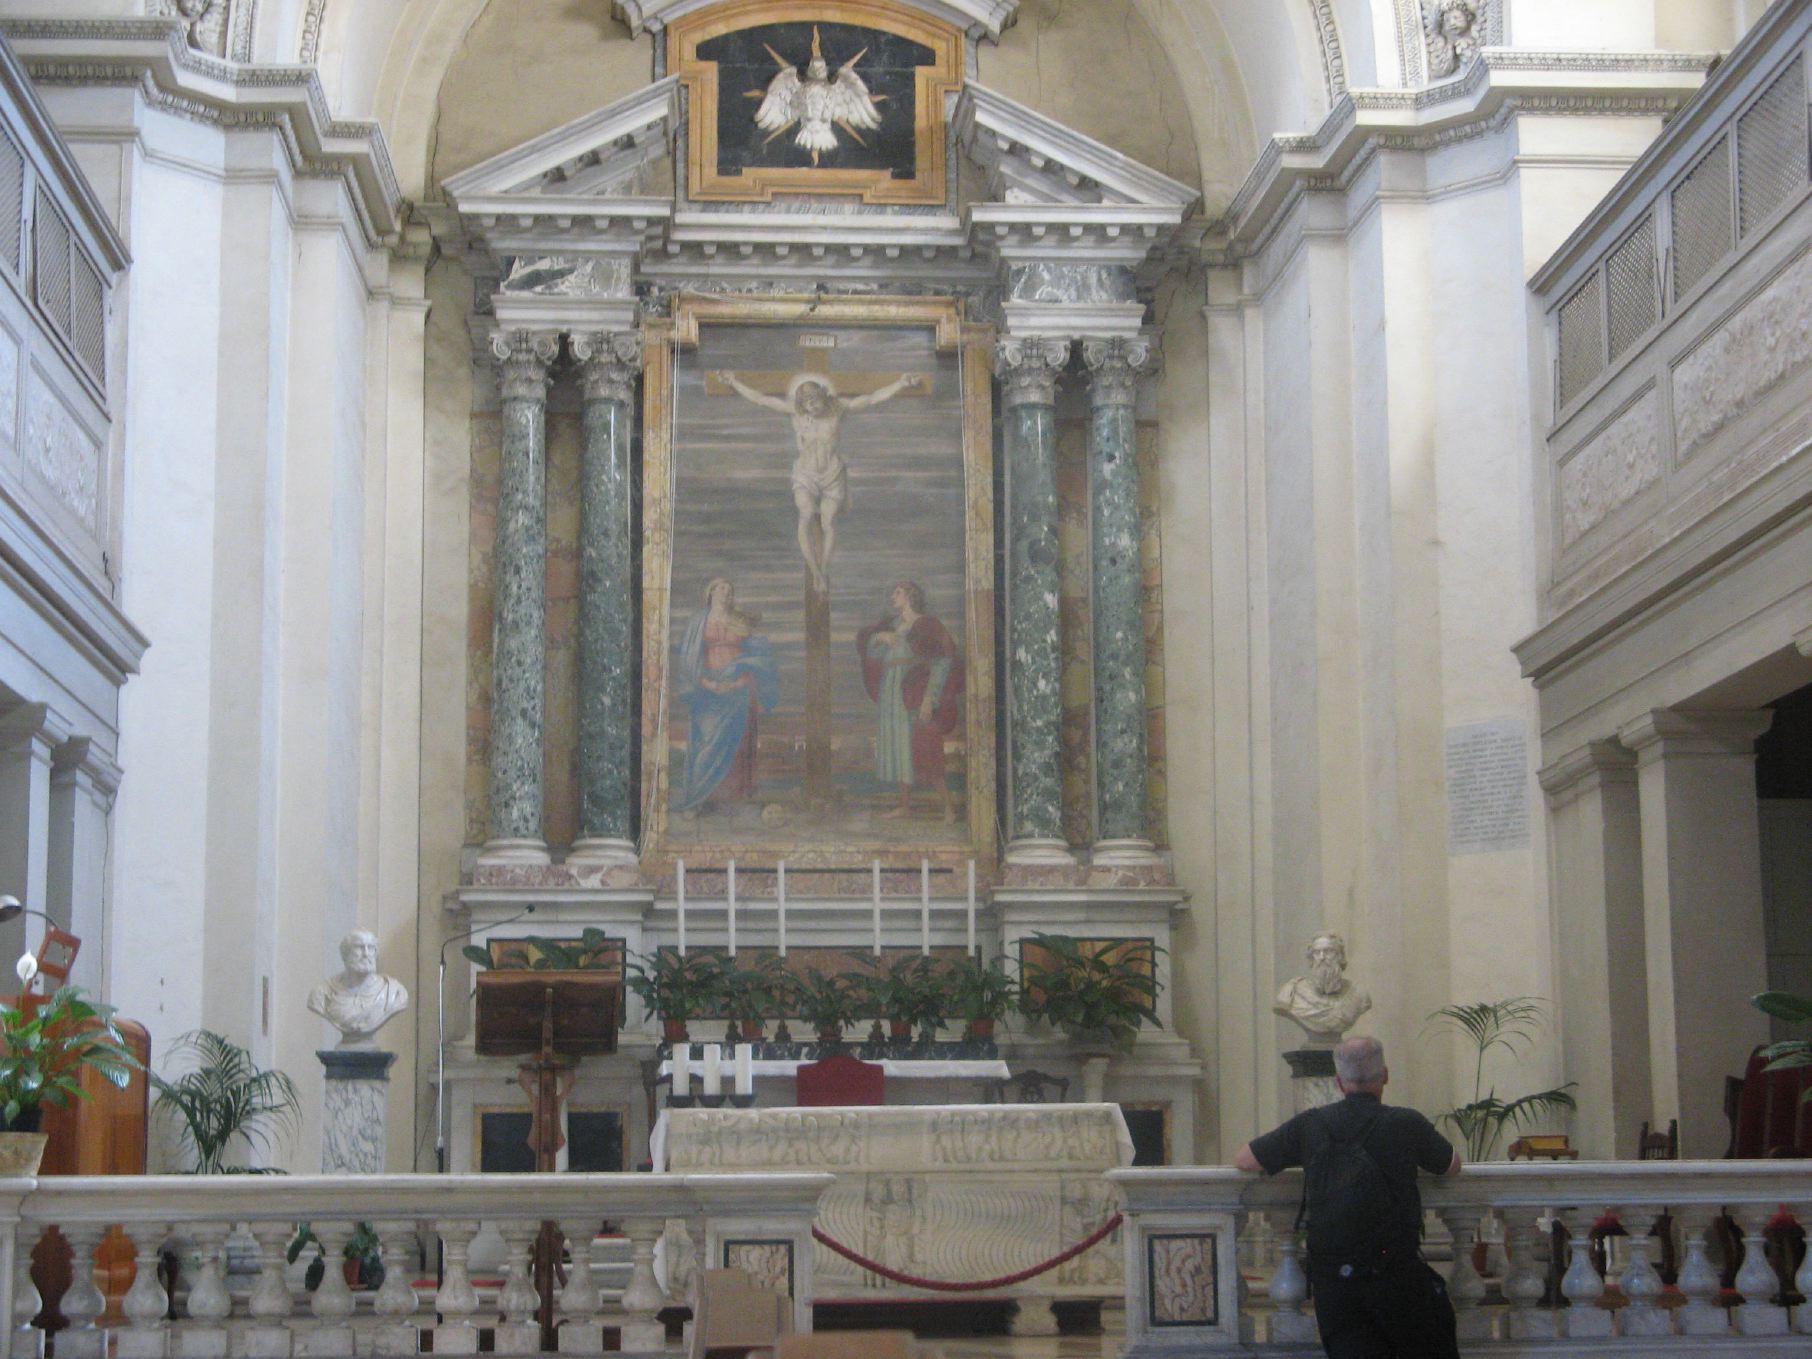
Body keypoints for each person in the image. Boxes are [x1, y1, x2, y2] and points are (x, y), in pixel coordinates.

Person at [1232, 1036, 1463, 1359]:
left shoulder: (1311, 1124)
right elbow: (1451, 1165)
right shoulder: (1406, 1122)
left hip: (1336, 1283)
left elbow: (1245, 1160)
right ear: (1385, 1075)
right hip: (1396, 1273)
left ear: (1339, 1082)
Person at [712, 369, 924, 591]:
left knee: (828, 522)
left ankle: (823, 568)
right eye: (807, 404)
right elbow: (761, 399)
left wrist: (901, 384)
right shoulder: (796, 412)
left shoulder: (838, 407)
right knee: (805, 514)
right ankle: (815, 572)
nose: (812, 407)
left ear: (823, 396)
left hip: (832, 474)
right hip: (806, 474)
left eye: (815, 401)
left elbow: (872, 398)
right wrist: (734, 382)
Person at [856, 581, 963, 821]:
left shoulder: (926, 625)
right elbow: (872, 654)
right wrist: (880, 638)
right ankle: (904, 806)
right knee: (899, 746)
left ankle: (948, 807)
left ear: (910, 596)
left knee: (923, 745)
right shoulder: (893, 626)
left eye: (898, 592)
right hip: (891, 689)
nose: (893, 596)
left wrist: (929, 698)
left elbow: (943, 661)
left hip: (913, 690)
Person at [675, 578, 780, 813]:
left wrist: (739, 682)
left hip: (738, 688)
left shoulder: (739, 621)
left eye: (729, 590)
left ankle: (732, 799)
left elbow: (755, 655)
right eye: (721, 588)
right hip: (707, 689)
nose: (726, 592)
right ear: (710, 592)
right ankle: (700, 797)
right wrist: (708, 683)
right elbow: (690, 658)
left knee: (738, 740)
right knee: (707, 744)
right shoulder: (698, 622)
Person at [307, 930, 409, 1049]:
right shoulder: (322, 993)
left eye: (371, 948)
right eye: (359, 947)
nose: (366, 954)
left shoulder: (394, 992)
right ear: (344, 954)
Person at [1273, 931, 1373, 1045]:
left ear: (1340, 956)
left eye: (1328, 951)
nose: (1322, 957)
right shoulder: (1293, 992)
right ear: (1311, 958)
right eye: (1316, 952)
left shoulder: (1358, 994)